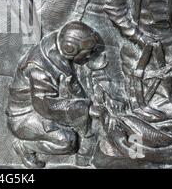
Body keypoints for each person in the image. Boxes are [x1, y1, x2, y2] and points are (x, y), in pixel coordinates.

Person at [6, 21, 106, 168]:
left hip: (47, 110)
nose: (90, 56)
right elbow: (45, 106)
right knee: (68, 142)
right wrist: (85, 109)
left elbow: (72, 84)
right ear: (70, 48)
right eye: (88, 53)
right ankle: (25, 147)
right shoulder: (38, 67)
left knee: (84, 125)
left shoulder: (56, 47)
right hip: (25, 117)